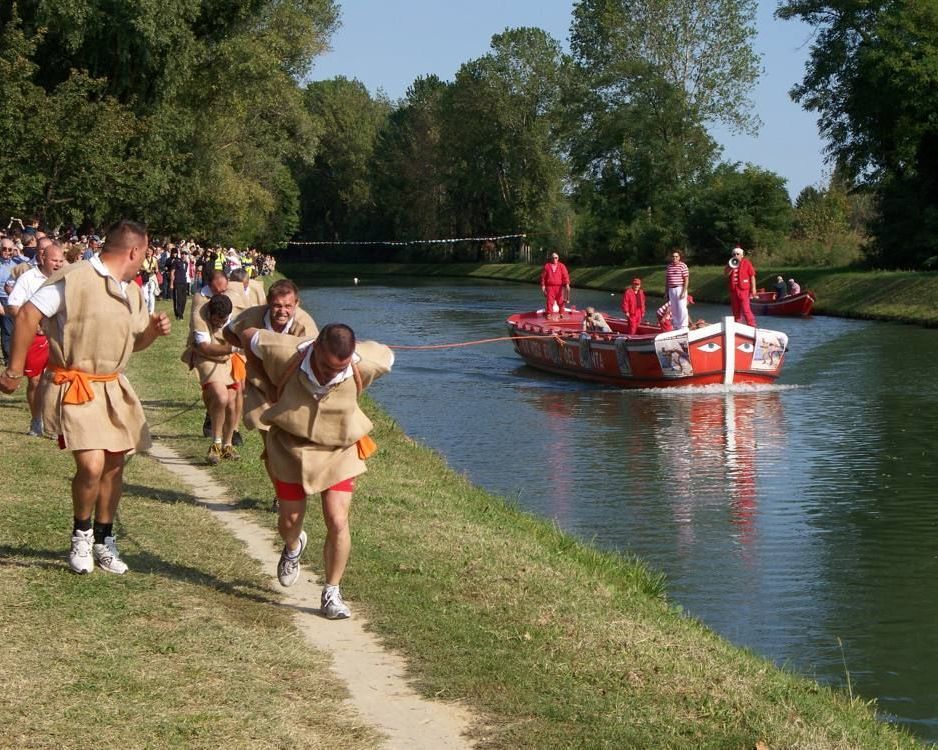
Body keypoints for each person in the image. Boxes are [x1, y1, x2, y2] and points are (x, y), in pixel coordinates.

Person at [0, 220, 170, 574]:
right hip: (76, 384)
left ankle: (104, 540)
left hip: (112, 385)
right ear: (134, 251)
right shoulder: (75, 278)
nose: (144, 260)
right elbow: (29, 314)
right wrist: (14, 369)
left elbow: (132, 344)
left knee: (113, 465)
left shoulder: (132, 291)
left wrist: (151, 333)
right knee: (91, 465)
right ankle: (81, 534)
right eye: (144, 253)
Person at [232, 323, 393, 619]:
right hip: (291, 447)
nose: (331, 374)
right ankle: (293, 546)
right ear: (315, 347)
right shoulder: (283, 352)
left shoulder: (365, 363)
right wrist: (262, 378)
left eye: (339, 369)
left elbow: (388, 356)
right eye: (326, 367)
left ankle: (332, 592)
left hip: (338, 450)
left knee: (338, 519)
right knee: (290, 521)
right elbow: (243, 333)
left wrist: (360, 358)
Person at [224, 279, 318, 510]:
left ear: (296, 303)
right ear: (268, 303)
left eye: (288, 306)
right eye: (277, 306)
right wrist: (246, 347)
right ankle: (281, 494)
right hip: (260, 386)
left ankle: (294, 486)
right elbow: (228, 331)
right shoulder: (252, 317)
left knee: (293, 446)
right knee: (271, 446)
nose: (282, 311)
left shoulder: (306, 326)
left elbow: (316, 361)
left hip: (292, 389)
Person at [6, 240, 67, 436]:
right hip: (35, 337)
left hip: (59, 337)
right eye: (54, 260)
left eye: (61, 260)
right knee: (35, 380)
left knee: (60, 377)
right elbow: (13, 306)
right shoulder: (28, 278)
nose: (58, 264)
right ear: (42, 258)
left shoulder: (66, 279)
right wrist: (33, 322)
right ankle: (36, 419)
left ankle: (59, 421)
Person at [183, 293, 243, 464]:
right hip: (205, 357)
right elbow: (205, 347)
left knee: (231, 401)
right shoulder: (199, 316)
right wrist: (232, 348)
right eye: (217, 320)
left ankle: (227, 445)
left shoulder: (236, 317)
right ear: (210, 313)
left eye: (223, 321)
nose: (219, 324)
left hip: (227, 359)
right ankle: (215, 444)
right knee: (220, 395)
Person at [725, 245, 757, 327]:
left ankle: (751, 324)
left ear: (742, 255)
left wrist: (753, 288)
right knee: (735, 310)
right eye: (734, 254)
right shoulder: (730, 263)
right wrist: (731, 267)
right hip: (734, 289)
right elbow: (726, 274)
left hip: (743, 289)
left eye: (737, 254)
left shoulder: (746, 263)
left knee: (746, 309)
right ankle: (737, 326)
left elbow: (752, 275)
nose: (736, 256)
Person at [539, 252, 570, 320]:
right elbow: (543, 277)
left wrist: (567, 284)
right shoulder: (547, 266)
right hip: (550, 287)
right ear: (551, 258)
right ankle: (549, 313)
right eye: (553, 258)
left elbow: (565, 276)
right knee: (549, 301)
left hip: (559, 287)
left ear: (558, 258)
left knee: (560, 300)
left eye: (556, 257)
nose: (554, 259)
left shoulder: (562, 266)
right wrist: (543, 286)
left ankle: (561, 313)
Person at [665, 250, 689, 329]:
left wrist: (683, 291)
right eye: (673, 256)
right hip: (671, 289)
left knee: (682, 307)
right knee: (674, 308)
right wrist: (666, 292)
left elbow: (686, 280)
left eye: (676, 256)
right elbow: (667, 280)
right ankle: (676, 325)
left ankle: (683, 325)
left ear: (679, 257)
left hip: (680, 288)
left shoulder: (683, 266)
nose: (674, 258)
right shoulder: (669, 267)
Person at [168, 249, 190, 320]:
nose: (183, 255)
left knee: (184, 299)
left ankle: (181, 313)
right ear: (180, 255)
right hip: (177, 282)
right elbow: (172, 272)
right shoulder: (176, 262)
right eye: (182, 254)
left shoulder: (186, 263)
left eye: (185, 254)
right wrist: (171, 283)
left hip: (184, 282)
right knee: (178, 299)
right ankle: (178, 315)